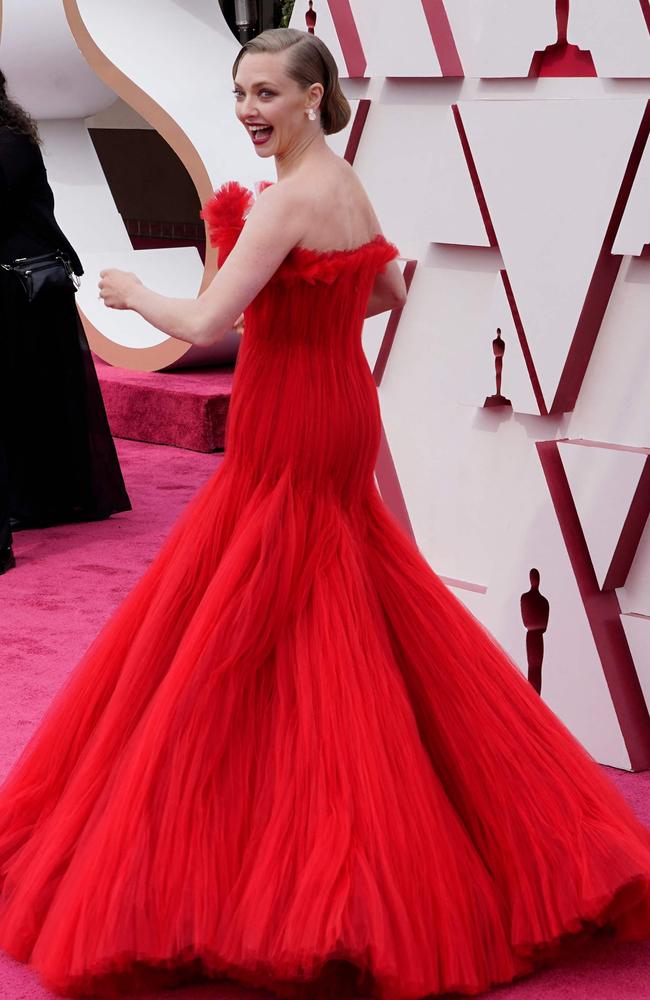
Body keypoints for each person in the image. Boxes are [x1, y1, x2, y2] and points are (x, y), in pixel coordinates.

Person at [1, 26, 650, 1000]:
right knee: (341, 607)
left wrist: (134, 287)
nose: (250, 110)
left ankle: (280, 858)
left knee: (242, 627)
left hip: (289, 427)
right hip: (337, 407)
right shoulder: (343, 188)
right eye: (239, 93)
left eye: (266, 92)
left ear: (311, 97)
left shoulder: (290, 201)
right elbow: (385, 290)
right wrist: (304, 307)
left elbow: (205, 322)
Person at [0, 69, 130, 549]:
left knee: (30, 394)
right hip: (17, 287)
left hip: (28, 289)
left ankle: (38, 501)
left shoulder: (9, 143)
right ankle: (28, 499)